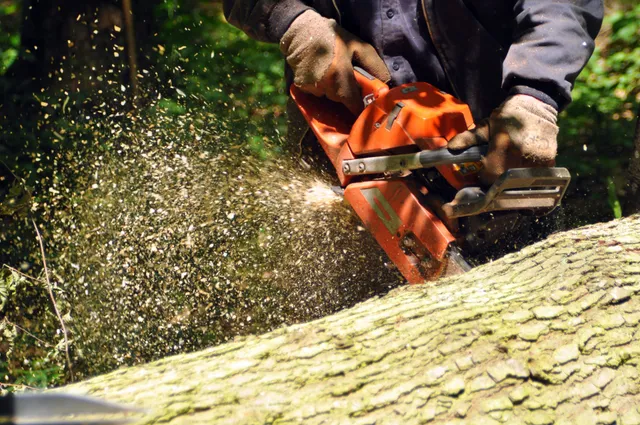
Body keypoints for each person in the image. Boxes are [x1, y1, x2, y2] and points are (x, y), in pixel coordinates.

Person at [223, 0, 603, 184]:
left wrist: (534, 95)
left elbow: (561, 5)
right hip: (346, 141)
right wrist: (293, 20)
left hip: (484, 136)